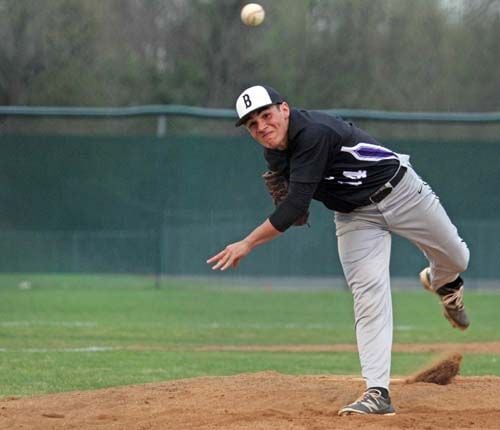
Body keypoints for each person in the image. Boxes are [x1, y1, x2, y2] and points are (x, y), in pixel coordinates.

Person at [206, 85, 470, 416]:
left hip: (401, 192)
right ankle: (377, 392)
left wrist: (247, 242)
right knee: (369, 296)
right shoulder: (274, 153)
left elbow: (295, 207)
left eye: (266, 114)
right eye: (252, 123)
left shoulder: (314, 132)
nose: (261, 126)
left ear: (284, 109)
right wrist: (291, 198)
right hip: (354, 216)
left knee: (459, 258)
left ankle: (443, 280)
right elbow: (295, 202)